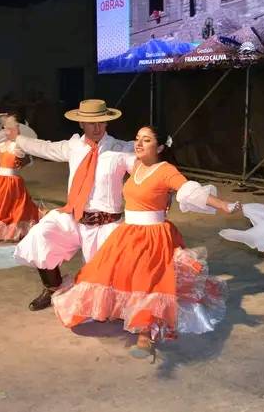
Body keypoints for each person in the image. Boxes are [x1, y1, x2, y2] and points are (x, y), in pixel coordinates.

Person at [51, 125, 240, 358]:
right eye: (138, 139)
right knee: (107, 274)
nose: (138, 144)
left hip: (153, 236)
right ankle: (117, 311)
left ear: (159, 147)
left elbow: (190, 191)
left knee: (148, 282)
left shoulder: (165, 170)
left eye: (146, 140)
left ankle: (146, 333)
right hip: (128, 233)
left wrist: (222, 205)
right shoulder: (136, 165)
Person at [6, 99, 135, 311]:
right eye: (91, 123)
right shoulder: (74, 146)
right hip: (75, 217)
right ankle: (53, 287)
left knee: (102, 284)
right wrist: (19, 138)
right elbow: (45, 147)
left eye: (101, 122)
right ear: (81, 124)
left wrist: (157, 156)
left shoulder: (120, 150)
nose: (97, 127)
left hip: (106, 226)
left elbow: (144, 167)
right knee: (41, 235)